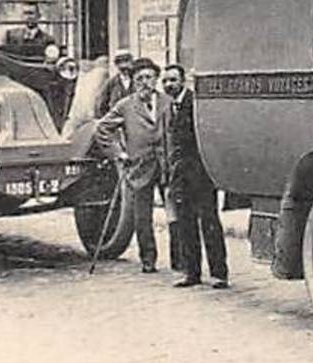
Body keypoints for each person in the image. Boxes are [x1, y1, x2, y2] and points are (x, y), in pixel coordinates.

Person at [159, 62, 229, 289]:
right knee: (185, 224)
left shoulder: (195, 104)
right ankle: (192, 272)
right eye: (166, 81)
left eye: (173, 80)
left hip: (201, 174)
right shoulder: (169, 108)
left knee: (209, 222)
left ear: (183, 81)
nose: (169, 84)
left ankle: (219, 273)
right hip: (179, 176)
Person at [92, 57, 164, 274]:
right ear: (133, 81)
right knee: (142, 217)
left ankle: (181, 262)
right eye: (139, 78)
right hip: (139, 165)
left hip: (167, 165)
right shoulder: (125, 105)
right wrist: (118, 153)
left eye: (149, 77)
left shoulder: (168, 101)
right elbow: (102, 129)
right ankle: (148, 259)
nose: (144, 82)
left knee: (177, 214)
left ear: (156, 79)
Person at [95, 49, 136, 116]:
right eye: (120, 62)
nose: (124, 65)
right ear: (117, 65)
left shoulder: (137, 82)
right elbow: (102, 106)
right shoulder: (111, 84)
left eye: (126, 61)